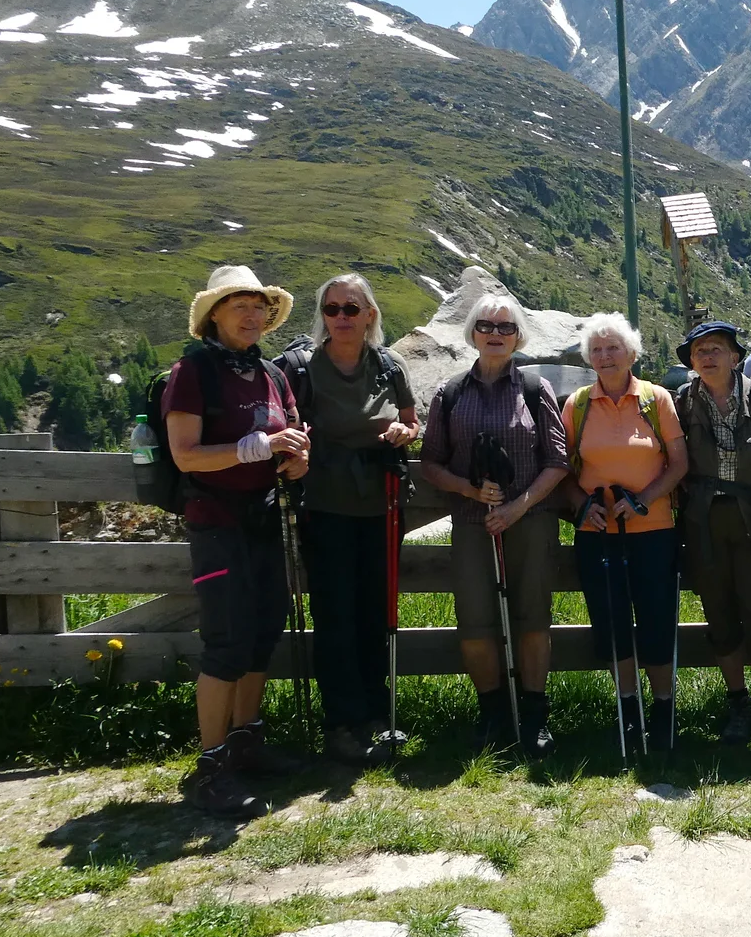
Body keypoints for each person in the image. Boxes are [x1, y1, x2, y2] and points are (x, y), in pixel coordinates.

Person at [164, 264, 311, 819]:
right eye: (240, 306)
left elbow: (293, 438)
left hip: (263, 516)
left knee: (262, 632)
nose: (253, 316)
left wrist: (296, 460)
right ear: (214, 316)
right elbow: (185, 454)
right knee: (226, 641)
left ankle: (248, 741)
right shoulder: (193, 371)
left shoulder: (271, 373)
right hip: (216, 519)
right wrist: (254, 448)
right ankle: (212, 764)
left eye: (260, 307)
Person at [278, 274, 419, 767]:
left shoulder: (388, 366)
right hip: (326, 506)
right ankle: (341, 723)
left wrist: (404, 431)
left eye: (351, 310)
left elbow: (410, 420)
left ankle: (376, 717)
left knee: (374, 615)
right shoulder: (301, 368)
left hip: (380, 507)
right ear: (323, 315)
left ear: (370, 316)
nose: (341, 318)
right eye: (332, 309)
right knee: (335, 617)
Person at [419, 294, 569, 754]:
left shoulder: (533, 388)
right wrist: (469, 490)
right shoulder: (450, 393)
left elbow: (558, 461)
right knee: (476, 621)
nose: (496, 334)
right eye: (486, 326)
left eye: (506, 328)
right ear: (473, 333)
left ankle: (534, 713)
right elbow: (430, 463)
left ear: (518, 335)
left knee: (532, 617)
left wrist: (518, 505)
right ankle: (493, 712)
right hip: (472, 523)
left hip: (530, 519)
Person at [565, 314, 689, 752]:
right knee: (612, 622)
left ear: (632, 353)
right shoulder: (577, 405)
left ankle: (662, 708)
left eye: (612, 347)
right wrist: (582, 506)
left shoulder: (657, 400)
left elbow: (679, 464)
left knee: (656, 621)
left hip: (654, 531)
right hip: (598, 532)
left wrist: (642, 499)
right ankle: (629, 708)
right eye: (596, 349)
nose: (604, 355)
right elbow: (563, 470)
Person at [674, 320, 751, 758]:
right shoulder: (682, 402)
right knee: (719, 615)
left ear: (734, 356)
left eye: (717, 349)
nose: (707, 356)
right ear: (691, 360)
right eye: (700, 350)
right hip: (703, 523)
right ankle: (737, 706)